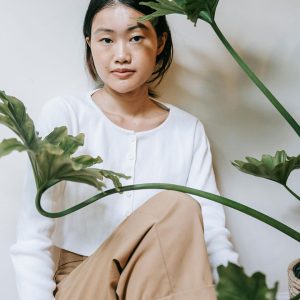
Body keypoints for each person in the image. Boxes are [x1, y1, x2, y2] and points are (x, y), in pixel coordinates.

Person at [10, 0, 239, 299]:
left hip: (160, 280)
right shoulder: (66, 114)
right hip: (83, 282)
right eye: (106, 40)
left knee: (181, 211)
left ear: (160, 42)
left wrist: (241, 291)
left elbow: (212, 234)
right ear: (90, 44)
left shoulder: (188, 130)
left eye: (136, 38)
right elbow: (33, 236)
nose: (121, 55)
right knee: (177, 204)